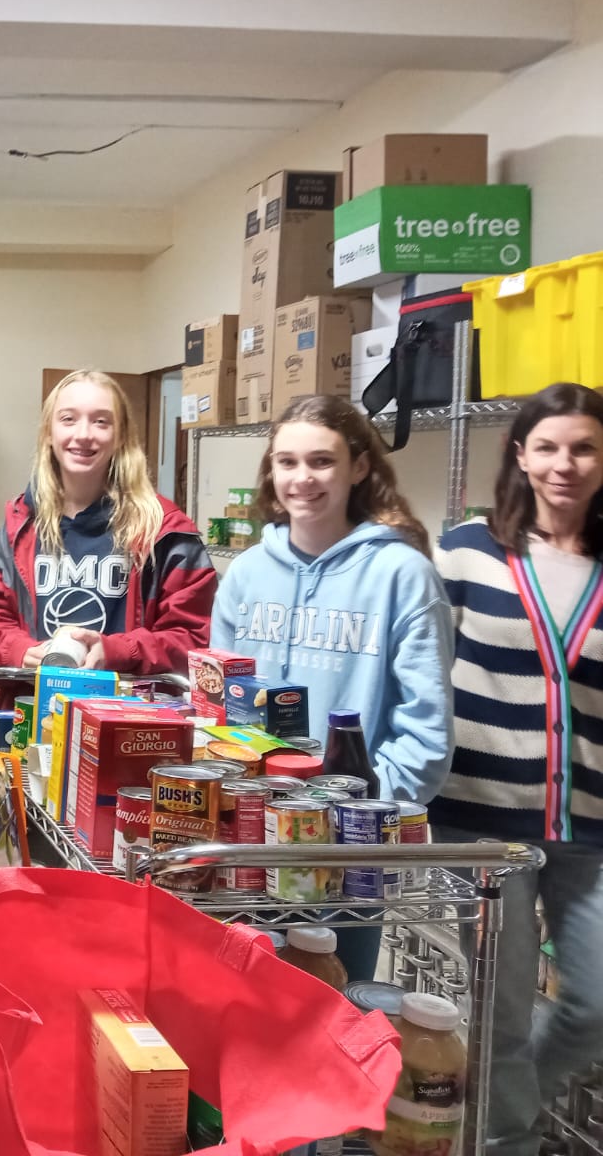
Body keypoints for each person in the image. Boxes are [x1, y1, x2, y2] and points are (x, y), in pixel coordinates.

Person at [211, 393, 453, 983]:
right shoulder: (246, 574)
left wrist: (356, 814)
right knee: (238, 1003)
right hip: (251, 836)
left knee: (336, 1010)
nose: (302, 479)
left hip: (348, 847)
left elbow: (426, 731)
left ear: (360, 467)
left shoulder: (402, 575)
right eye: (286, 462)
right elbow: (216, 703)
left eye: (321, 461)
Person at [432, 382, 603, 1156]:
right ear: (520, 454)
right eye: (548, 446)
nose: (563, 464)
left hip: (591, 824)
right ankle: (508, 1143)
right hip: (479, 818)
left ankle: (506, 1107)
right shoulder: (470, 549)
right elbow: (425, 668)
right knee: (497, 1010)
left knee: (595, 1000)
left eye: (583, 447)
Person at [0, 369, 215, 672]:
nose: (83, 434)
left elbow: (193, 637)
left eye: (101, 421)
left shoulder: (165, 531)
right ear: (48, 432)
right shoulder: (18, 528)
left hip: (128, 711)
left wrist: (119, 651)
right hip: (33, 707)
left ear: (121, 436)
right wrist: (19, 650)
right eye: (68, 419)